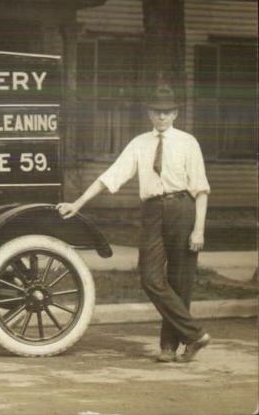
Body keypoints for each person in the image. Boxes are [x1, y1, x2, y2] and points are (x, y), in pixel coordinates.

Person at [56, 85, 211, 363]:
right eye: (156, 112)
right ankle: (195, 334)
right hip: (152, 211)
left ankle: (170, 347)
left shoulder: (188, 142)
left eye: (167, 112)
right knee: (150, 277)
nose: (162, 117)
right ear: (149, 114)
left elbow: (200, 190)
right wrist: (77, 203)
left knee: (180, 281)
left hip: (182, 210)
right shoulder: (140, 143)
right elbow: (110, 176)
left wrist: (199, 228)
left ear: (175, 113)